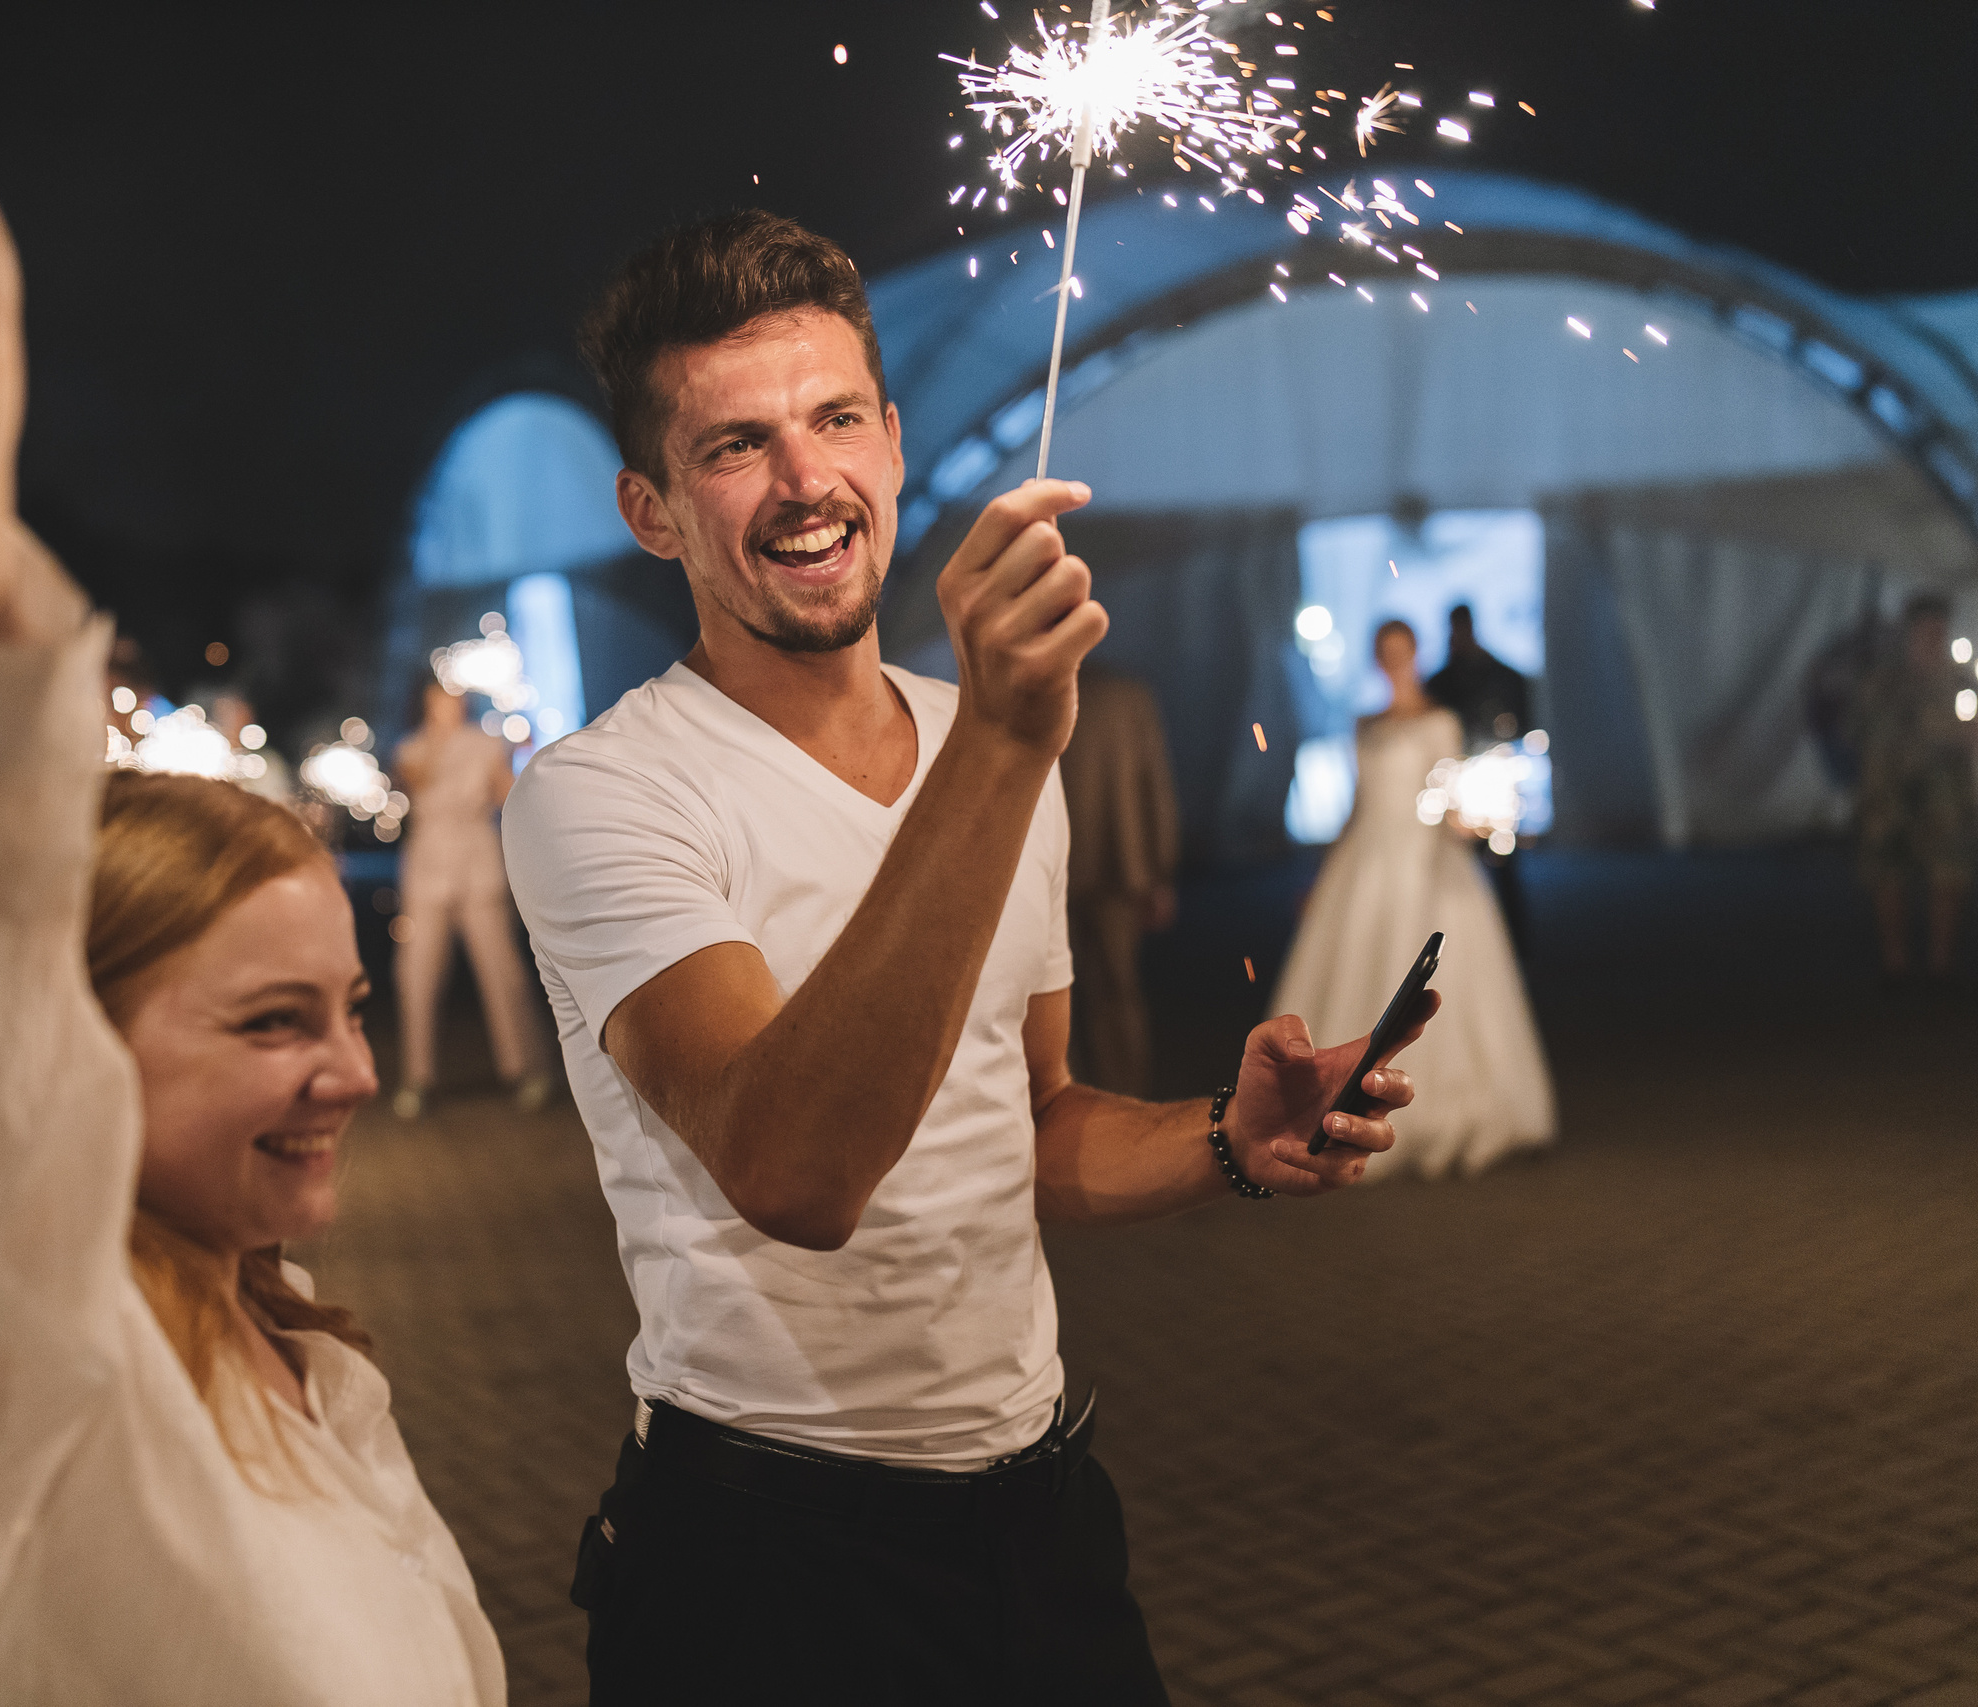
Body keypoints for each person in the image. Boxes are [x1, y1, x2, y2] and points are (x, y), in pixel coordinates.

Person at [501, 210, 1428, 1703]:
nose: (804, 480)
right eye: (735, 446)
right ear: (652, 511)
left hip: (1042, 1520)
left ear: (893, 440)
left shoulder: (989, 738)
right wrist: (1002, 744)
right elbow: (795, 1171)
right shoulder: (606, 793)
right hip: (763, 1554)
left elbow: (1029, 1121)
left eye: (835, 420)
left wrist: (1226, 1139)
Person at [0, 17, 504, 1700]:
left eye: (349, 1007)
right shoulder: (3, 1365)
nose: (355, 1073)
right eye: (273, 1020)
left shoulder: (309, 1360)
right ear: (53, 1051)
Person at [1273, 620, 1554, 1182]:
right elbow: (1357, 804)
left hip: (1424, 862)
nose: (1395, 662)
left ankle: (1435, 1108)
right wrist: (1324, 876)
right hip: (1367, 861)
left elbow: (1449, 803)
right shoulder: (1365, 724)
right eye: (1386, 653)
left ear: (1415, 654)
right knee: (1358, 969)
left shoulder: (1439, 722)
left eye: (1402, 652)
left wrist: (1480, 823)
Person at [390, 679, 551, 1118]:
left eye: (454, 700)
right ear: (426, 703)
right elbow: (416, 780)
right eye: (439, 700)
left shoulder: (486, 743)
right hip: (428, 867)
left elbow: (507, 794)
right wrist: (440, 741)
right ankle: (416, 1077)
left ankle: (527, 1068)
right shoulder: (412, 747)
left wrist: (524, 759)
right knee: (416, 973)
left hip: (478, 863)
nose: (449, 707)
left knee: (502, 971)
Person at [1060, 663, 1180, 1097]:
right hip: (1119, 868)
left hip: (1058, 867)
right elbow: (1154, 785)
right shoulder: (1128, 696)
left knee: (1059, 997)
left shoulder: (1032, 689)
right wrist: (1160, 869)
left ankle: (1074, 1095)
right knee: (1115, 992)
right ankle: (1123, 1096)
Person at [1853, 592, 1976, 984]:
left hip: (1946, 798)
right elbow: (1858, 731)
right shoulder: (1882, 679)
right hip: (1888, 796)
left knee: (1949, 874)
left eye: (1939, 631)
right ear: (1909, 632)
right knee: (1888, 875)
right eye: (1926, 631)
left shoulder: (1960, 681)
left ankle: (1941, 965)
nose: (1933, 639)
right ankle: (1896, 964)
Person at [1424, 603, 1533, 952]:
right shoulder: (1442, 682)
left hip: (1491, 778)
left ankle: (1512, 940)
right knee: (1463, 863)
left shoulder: (1496, 676)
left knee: (1502, 862)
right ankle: (1481, 938)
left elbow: (1520, 719)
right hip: (1460, 782)